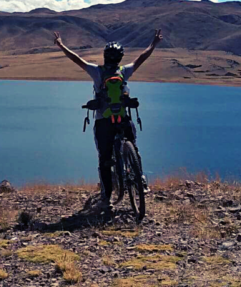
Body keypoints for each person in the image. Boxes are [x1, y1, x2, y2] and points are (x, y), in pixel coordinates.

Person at [53, 29, 162, 206]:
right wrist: (154, 44)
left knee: (104, 158)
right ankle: (140, 178)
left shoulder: (97, 72)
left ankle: (107, 197)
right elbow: (141, 58)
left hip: (103, 121)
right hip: (123, 118)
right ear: (120, 57)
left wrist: (61, 45)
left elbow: (76, 60)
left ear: (105, 56)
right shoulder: (124, 71)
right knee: (133, 145)